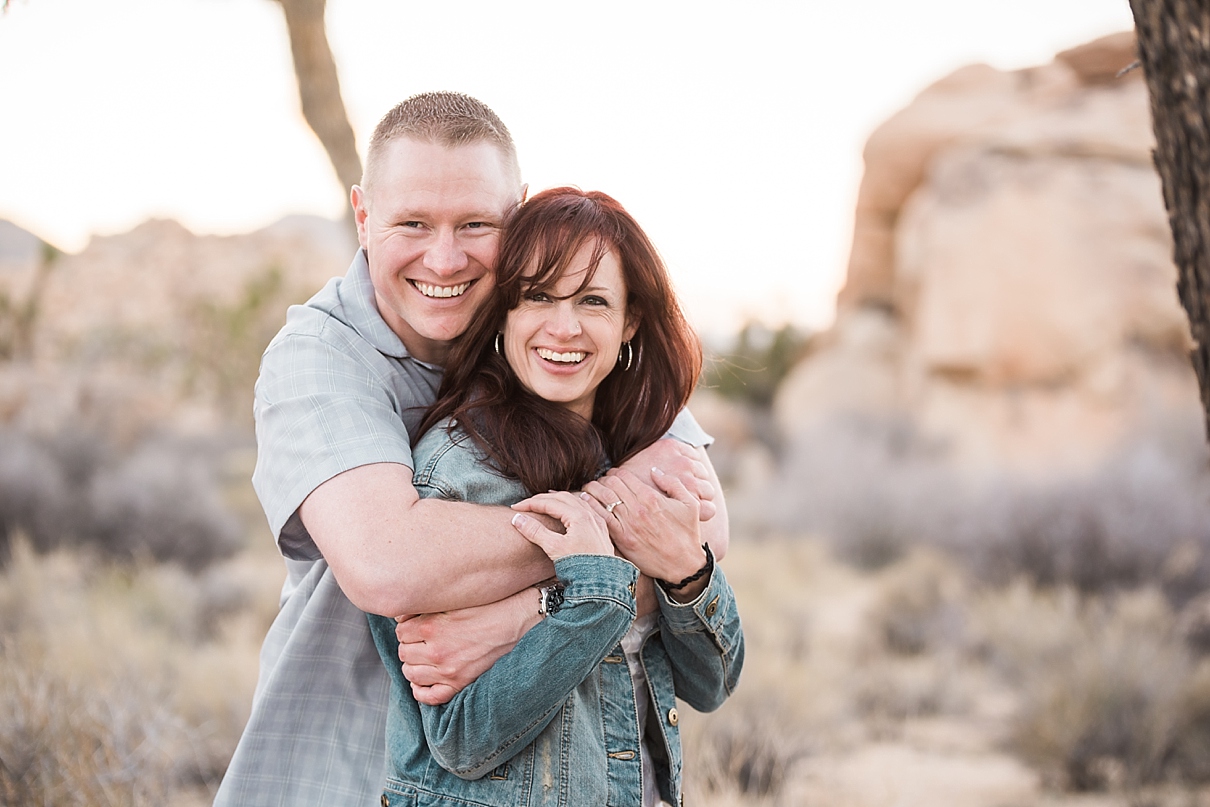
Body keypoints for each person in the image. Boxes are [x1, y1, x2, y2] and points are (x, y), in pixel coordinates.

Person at [215, 92, 729, 806]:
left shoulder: (553, 345)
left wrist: (524, 615)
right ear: (363, 216)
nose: (445, 257)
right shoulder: (319, 355)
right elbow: (388, 563)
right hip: (338, 769)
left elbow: (702, 525)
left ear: (516, 218)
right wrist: (607, 528)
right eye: (413, 223)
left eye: (476, 224)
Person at [368, 187, 744, 807]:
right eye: (538, 296)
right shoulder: (456, 471)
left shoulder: (640, 462)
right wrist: (592, 594)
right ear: (504, 313)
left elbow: (711, 687)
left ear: (629, 322)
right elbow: (461, 742)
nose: (563, 327)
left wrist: (687, 573)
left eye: (593, 301)